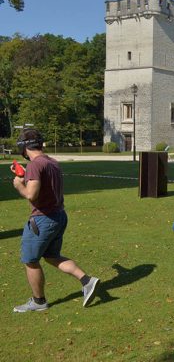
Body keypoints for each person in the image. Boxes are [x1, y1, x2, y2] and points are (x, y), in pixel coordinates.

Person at [10, 128, 99, 312]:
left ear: (23, 147)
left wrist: (19, 184)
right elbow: (43, 186)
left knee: (30, 260)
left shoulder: (35, 165)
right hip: (59, 216)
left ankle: (39, 301)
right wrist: (25, 176)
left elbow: (31, 194)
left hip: (43, 219)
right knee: (52, 256)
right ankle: (87, 281)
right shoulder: (52, 162)